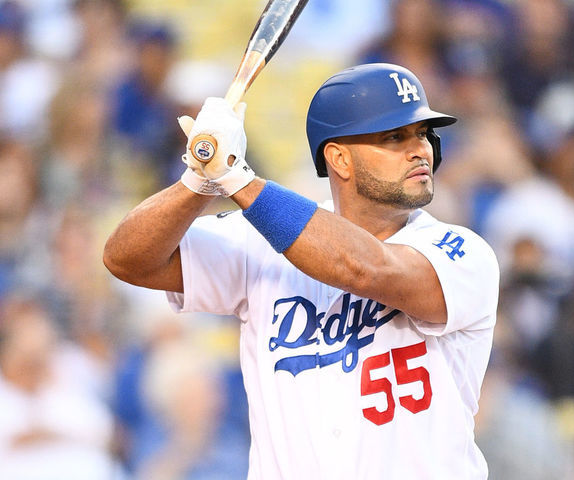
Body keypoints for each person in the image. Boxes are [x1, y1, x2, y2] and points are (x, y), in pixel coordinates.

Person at [104, 63, 500, 479]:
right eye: (394, 137)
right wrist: (199, 177)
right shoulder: (258, 240)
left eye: (422, 133)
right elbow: (126, 259)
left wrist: (234, 176)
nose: (420, 148)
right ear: (340, 159)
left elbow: (365, 267)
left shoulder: (462, 253)